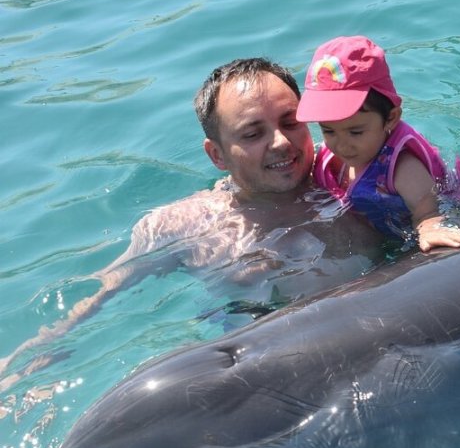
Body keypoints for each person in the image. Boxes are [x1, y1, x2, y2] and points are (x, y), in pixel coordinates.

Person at [1, 57, 385, 385]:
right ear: (217, 155)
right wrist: (25, 369)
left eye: (291, 122)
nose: (281, 142)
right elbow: (100, 299)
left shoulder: (359, 177)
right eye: (253, 134)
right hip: (266, 370)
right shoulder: (182, 225)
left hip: (381, 339)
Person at [296, 36, 460, 253]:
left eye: (356, 132)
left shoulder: (403, 167)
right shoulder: (329, 157)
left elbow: (427, 213)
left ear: (390, 118)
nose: (342, 145)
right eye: (328, 130)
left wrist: (428, 228)